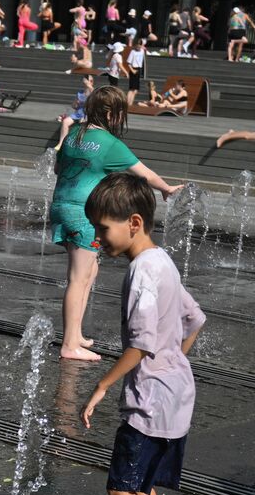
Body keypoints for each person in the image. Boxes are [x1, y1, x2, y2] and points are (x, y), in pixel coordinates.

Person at [80, 173, 205, 495]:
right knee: (143, 486)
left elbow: (140, 344)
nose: (98, 238)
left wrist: (101, 386)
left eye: (103, 229)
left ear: (134, 222)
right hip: (175, 392)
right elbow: (196, 318)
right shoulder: (163, 260)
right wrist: (175, 359)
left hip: (150, 400)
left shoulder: (142, 274)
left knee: (120, 488)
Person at [49, 86, 183, 361]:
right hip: (83, 213)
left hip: (62, 205)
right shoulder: (109, 144)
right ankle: (69, 344)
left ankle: (76, 335)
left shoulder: (76, 133)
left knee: (90, 271)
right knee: (78, 277)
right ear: (110, 113)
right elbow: (143, 173)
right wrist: (166, 189)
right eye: (121, 113)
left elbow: (57, 169)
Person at [55, 74, 94, 148]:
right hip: (78, 113)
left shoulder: (94, 92)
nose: (85, 82)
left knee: (83, 122)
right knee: (65, 121)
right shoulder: (80, 93)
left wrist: (89, 86)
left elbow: (96, 96)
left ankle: (79, 144)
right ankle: (61, 143)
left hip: (88, 114)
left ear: (91, 82)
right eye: (85, 80)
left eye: (89, 80)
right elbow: (74, 106)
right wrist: (76, 103)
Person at [125, 41, 146, 107]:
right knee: (131, 89)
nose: (138, 47)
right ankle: (128, 103)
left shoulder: (142, 51)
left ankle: (130, 104)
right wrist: (132, 70)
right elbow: (128, 63)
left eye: (139, 45)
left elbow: (144, 46)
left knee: (135, 90)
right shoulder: (133, 52)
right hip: (133, 69)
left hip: (139, 70)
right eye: (137, 45)